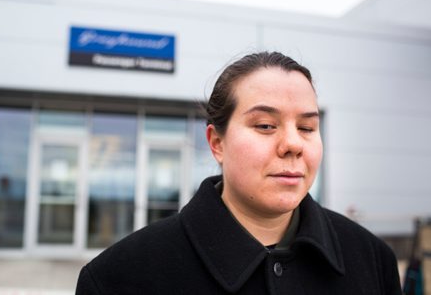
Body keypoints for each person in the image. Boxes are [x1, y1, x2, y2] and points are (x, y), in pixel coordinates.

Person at [76, 51, 402, 294]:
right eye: (265, 125)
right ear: (217, 142)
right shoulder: (118, 278)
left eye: (307, 127)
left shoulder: (372, 260)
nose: (293, 144)